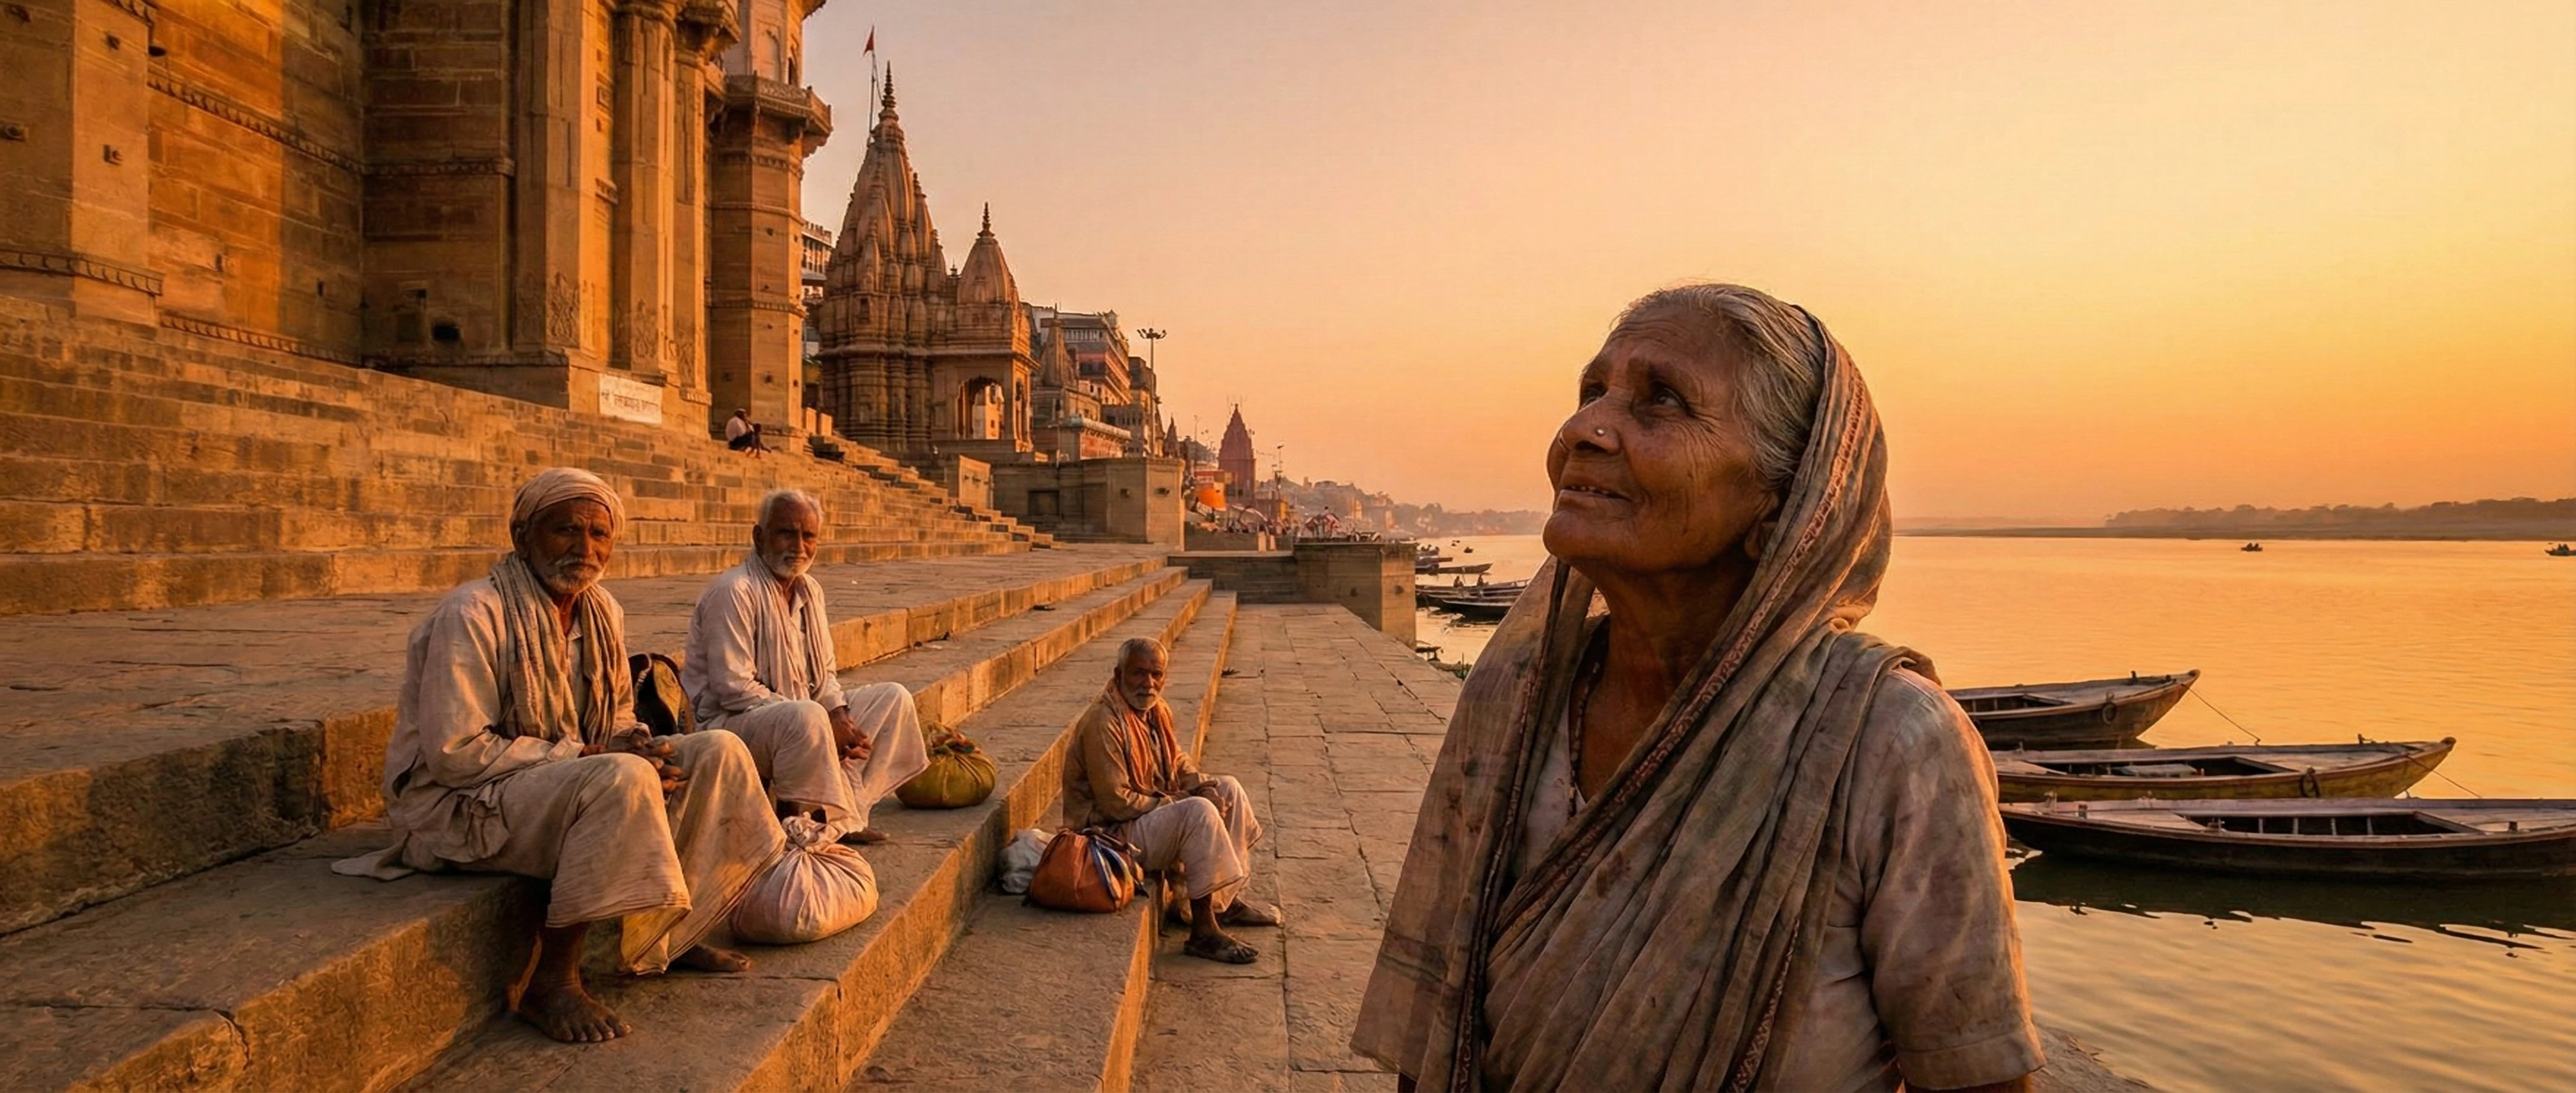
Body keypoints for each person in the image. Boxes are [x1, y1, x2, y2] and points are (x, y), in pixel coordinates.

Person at [1351, 285, 2044, 1092]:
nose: (1583, 429)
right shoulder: (1514, 700)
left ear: (1783, 506)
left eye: (1662, 400)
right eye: (1591, 392)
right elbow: (1437, 1035)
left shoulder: (1892, 744)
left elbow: (1977, 1077)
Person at [333, 468, 785, 1043]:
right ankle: (552, 981)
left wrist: (635, 742)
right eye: (565, 530)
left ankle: (673, 935)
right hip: (460, 803)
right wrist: (593, 755)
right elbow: (456, 752)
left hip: (554, 778)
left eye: (599, 534)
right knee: (617, 780)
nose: (585, 548)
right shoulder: (473, 612)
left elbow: (618, 715)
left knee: (718, 749)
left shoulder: (604, 611)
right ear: (523, 536)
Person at [684, 489, 928, 845]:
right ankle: (798, 827)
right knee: (805, 716)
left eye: (808, 535)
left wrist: (840, 716)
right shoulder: (733, 590)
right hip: (730, 725)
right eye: (786, 532)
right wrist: (822, 720)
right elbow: (733, 688)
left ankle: (840, 817)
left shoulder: (810, 589)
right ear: (759, 536)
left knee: (894, 698)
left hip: (798, 713)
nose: (799, 545)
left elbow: (825, 675)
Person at [1064, 637, 1280, 964]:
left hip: (1142, 818)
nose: (1148, 684)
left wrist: (1203, 785)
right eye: (1138, 674)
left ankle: (1223, 900)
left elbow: (1179, 761)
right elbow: (1115, 804)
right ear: (1119, 674)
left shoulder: (1156, 711)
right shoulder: (1103, 722)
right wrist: (1181, 800)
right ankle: (1204, 931)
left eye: (1156, 675)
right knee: (1197, 811)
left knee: (1227, 788)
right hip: (1108, 835)